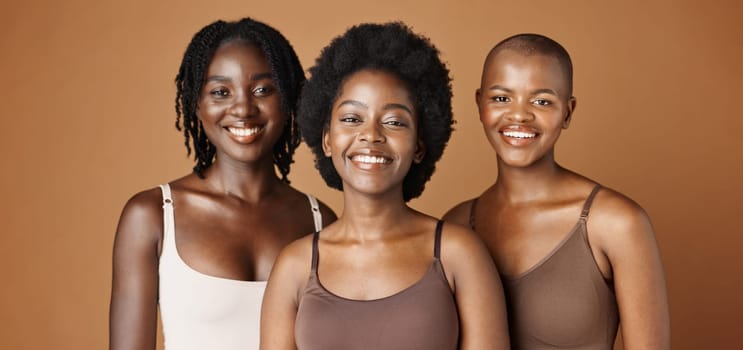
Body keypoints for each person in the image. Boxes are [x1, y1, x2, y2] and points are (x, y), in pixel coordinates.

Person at [260, 22, 510, 350]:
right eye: (352, 119)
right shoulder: (294, 266)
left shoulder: (458, 254)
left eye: (394, 122)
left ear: (419, 145)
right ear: (326, 140)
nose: (371, 135)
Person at [109, 18, 336, 350]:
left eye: (262, 89)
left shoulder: (320, 222)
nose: (243, 108)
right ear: (197, 104)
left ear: (288, 98)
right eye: (220, 92)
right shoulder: (152, 216)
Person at [444, 33, 670, 349]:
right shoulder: (456, 224)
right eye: (501, 98)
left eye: (541, 101)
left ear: (567, 112)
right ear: (480, 104)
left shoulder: (616, 222)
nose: (519, 115)